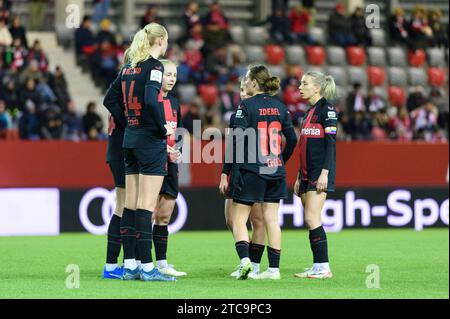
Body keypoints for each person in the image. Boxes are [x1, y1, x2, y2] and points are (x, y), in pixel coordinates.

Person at [228, 65, 298, 280]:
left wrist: (235, 171)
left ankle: (245, 262)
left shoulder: (246, 105)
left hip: (253, 170)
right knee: (272, 220)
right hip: (275, 169)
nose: (245, 82)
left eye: (248, 79)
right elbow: (293, 139)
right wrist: (280, 161)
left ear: (254, 83)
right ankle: (274, 270)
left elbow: (237, 140)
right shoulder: (280, 107)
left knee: (238, 219)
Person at [118, 23, 175, 282]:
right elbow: (152, 100)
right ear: (160, 40)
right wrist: (163, 128)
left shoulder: (128, 67)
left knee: (130, 205)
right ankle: (147, 267)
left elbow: (110, 99)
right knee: (145, 206)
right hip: (149, 140)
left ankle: (129, 264)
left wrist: (129, 121)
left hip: (129, 138)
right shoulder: (154, 66)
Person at [219, 77, 267, 279]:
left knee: (257, 219)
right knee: (231, 220)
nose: (243, 94)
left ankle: (252, 264)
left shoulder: (259, 114)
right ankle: (246, 259)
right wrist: (224, 173)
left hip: (256, 171)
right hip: (237, 171)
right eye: (241, 90)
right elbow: (232, 147)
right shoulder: (237, 115)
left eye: (246, 90)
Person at [294, 71, 338, 279]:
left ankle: (323, 267)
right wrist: (297, 176)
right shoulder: (308, 112)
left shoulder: (326, 110)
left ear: (317, 88)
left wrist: (325, 173)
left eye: (305, 83)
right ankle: (317, 265)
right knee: (310, 219)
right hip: (305, 174)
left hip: (319, 173)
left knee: (312, 218)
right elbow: (303, 147)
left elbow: (331, 145)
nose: (300, 87)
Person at [150, 59, 186, 277]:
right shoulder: (150, 102)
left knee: (164, 215)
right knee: (148, 213)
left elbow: (179, 131)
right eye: (168, 74)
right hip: (153, 162)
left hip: (171, 164)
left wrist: (178, 149)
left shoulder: (174, 103)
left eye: (174, 75)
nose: (171, 79)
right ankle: (141, 262)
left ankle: (161, 263)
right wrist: (164, 149)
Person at [101, 53, 129, 279]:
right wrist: (128, 122)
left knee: (127, 206)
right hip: (121, 149)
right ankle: (111, 265)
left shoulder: (127, 81)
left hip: (121, 149)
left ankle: (128, 261)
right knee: (122, 206)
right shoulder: (124, 79)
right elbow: (109, 101)